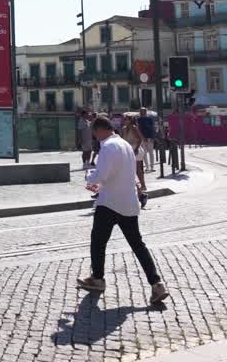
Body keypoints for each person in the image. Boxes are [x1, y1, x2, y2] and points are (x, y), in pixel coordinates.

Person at [77, 115, 169, 305]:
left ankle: (98, 279)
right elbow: (123, 173)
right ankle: (157, 284)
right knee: (138, 245)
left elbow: (102, 172)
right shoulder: (125, 145)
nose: (96, 138)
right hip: (128, 203)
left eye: (95, 134)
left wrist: (91, 180)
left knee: (98, 241)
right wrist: (100, 184)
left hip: (110, 203)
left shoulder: (108, 146)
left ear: (99, 130)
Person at [137, 108, 157, 172]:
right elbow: (138, 130)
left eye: (144, 111)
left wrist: (153, 137)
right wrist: (142, 137)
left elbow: (152, 128)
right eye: (142, 111)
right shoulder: (138, 120)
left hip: (150, 138)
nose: (143, 112)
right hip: (142, 138)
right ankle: (147, 167)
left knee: (151, 152)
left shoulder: (149, 119)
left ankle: (152, 167)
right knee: (144, 153)